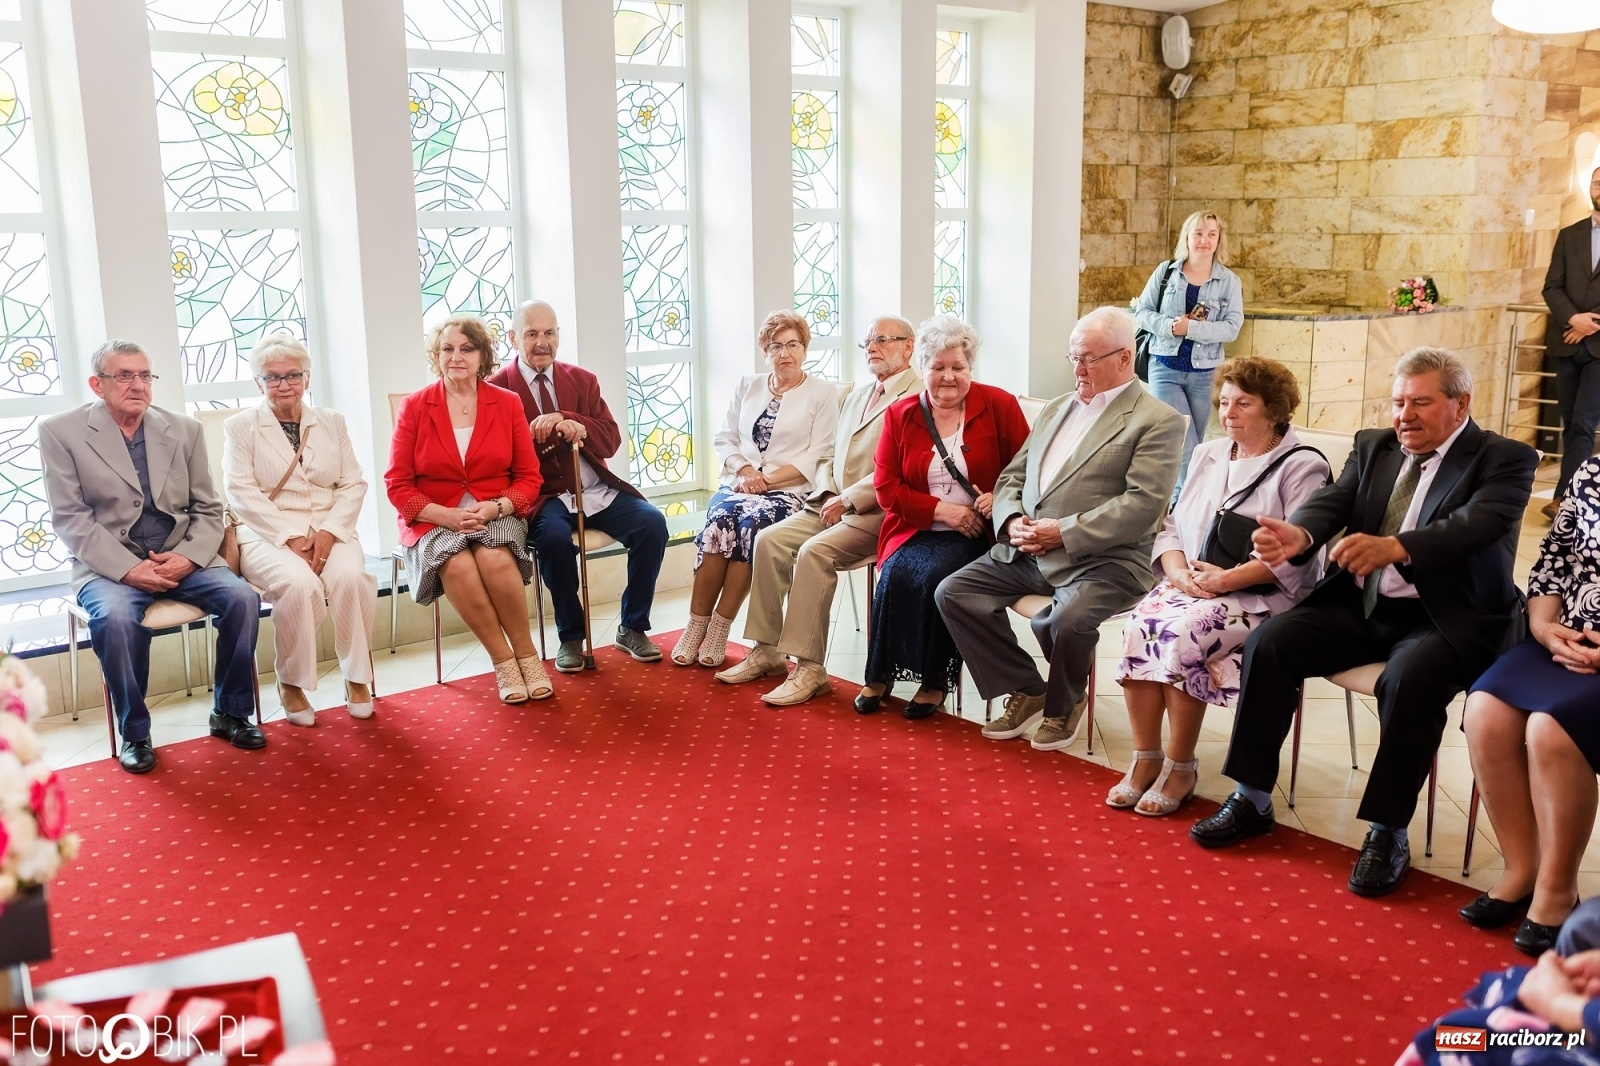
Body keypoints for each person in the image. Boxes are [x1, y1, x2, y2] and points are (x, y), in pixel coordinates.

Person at [1190, 347, 1538, 899]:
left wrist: (1397, 546)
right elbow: (1334, 501)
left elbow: (1478, 524)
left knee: (1409, 680)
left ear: (1460, 403)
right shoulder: (1374, 446)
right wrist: (1298, 536)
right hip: (1363, 602)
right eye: (1399, 402)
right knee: (1272, 642)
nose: (1405, 416)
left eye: (1421, 403)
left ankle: (1387, 831)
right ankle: (1252, 797)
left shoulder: (1505, 458)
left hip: (1447, 615)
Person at [935, 306, 1186, 749]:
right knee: (954, 593)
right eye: (1074, 358)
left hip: (1104, 560)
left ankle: (1065, 700)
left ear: (1125, 358)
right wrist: (1011, 520)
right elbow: (1013, 475)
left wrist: (1063, 532)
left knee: (1065, 621)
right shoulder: (1056, 407)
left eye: (1088, 358)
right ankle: (1029, 688)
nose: (1078, 369)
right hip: (1028, 548)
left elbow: (1143, 505)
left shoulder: (1156, 420)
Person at [1112, 357, 1330, 815]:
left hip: (1261, 593)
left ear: (1274, 410)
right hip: (1192, 580)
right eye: (1224, 402)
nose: (1228, 413)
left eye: (1243, 404)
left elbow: (1299, 554)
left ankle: (1181, 766)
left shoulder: (1302, 465)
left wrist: (1226, 579)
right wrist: (1176, 573)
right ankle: (1144, 759)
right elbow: (1171, 524)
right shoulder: (1209, 453)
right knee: (1139, 624)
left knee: (1184, 633)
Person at [39, 340, 264, 773]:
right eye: (124, 375)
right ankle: (135, 733)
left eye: (145, 375)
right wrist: (128, 569)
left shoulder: (183, 429)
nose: (137, 385)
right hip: (107, 566)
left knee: (243, 599)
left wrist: (190, 558)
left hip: (182, 555)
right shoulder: (61, 432)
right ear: (97, 384)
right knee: (116, 619)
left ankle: (231, 712)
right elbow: (71, 519)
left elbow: (208, 507)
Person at [714, 316, 921, 705]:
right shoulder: (860, 394)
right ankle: (767, 650)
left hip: (877, 511)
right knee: (768, 541)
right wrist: (828, 491)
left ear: (909, 346)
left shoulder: (917, 395)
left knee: (814, 553)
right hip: (830, 501)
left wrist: (850, 499)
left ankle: (810, 668)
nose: (872, 349)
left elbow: (904, 468)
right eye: (867, 342)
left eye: (882, 341)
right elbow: (828, 453)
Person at [1458, 453, 1600, 955]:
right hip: (1564, 638)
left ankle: (1558, 892)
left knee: (1550, 727)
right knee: (1485, 711)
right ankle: (1521, 870)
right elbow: (1552, 565)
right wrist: (1543, 628)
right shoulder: (1592, 471)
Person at [860, 316, 1030, 719]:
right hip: (915, 527)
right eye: (938, 367)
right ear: (923, 369)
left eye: (958, 367)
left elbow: (1029, 472)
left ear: (971, 368)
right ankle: (879, 673)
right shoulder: (901, 414)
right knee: (897, 572)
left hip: (978, 532)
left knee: (939, 578)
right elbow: (886, 487)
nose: (948, 376)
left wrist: (999, 497)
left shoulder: (1000, 405)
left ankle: (934, 681)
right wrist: (942, 512)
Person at [487, 301, 667, 671]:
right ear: (513, 338)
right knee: (552, 540)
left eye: (549, 333)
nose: (542, 342)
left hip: (593, 489)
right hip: (544, 495)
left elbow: (612, 441)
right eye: (532, 334)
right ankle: (570, 636)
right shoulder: (496, 389)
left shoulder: (582, 379)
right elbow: (494, 459)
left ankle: (632, 626)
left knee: (652, 524)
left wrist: (573, 422)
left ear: (558, 336)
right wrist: (546, 436)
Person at [385, 315, 549, 704]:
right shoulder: (415, 406)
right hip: (432, 516)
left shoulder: (507, 403)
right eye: (447, 349)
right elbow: (397, 483)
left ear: (482, 357)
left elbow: (529, 478)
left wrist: (496, 507)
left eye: (466, 348)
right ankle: (504, 662)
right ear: (436, 355)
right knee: (456, 562)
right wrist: (444, 515)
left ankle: (528, 656)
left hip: (495, 510)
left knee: (493, 558)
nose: (456, 357)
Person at [223, 334, 377, 726]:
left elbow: (353, 483)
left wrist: (328, 532)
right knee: (299, 585)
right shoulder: (240, 426)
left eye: (292, 375)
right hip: (266, 532)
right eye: (272, 377)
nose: (284, 384)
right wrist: (289, 537)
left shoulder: (331, 421)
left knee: (350, 577)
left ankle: (358, 675)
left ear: (307, 378)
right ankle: (290, 681)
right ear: (258, 383)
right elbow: (239, 491)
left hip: (329, 525)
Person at [673, 310, 840, 668]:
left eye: (793, 344)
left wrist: (765, 481)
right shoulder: (748, 384)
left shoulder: (823, 393)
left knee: (751, 526)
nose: (785, 354)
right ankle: (696, 624)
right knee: (719, 520)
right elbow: (725, 438)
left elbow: (820, 454)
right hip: (739, 483)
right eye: (776, 346)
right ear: (765, 351)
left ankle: (720, 626)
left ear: (805, 347)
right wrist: (745, 470)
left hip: (791, 491)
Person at [1132, 210, 1244, 494]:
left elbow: (1231, 327)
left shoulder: (1229, 281)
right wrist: (1171, 327)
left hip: (1206, 373)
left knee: (1195, 439)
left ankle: (1178, 500)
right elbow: (1142, 312)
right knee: (1181, 438)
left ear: (1219, 240)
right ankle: (1190, 500)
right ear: (1187, 237)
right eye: (1198, 233)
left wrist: (1190, 330)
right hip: (1164, 367)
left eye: (1211, 234)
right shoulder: (1166, 272)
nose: (1204, 240)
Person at [1541, 165, 1600, 520]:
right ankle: (1573, 494)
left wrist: (1590, 321)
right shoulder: (1569, 234)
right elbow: (1551, 285)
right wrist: (1572, 319)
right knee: (1569, 421)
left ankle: (1564, 498)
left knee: (1583, 422)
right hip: (1566, 343)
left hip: (1599, 349)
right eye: (1596, 182)